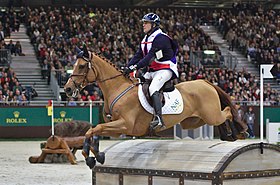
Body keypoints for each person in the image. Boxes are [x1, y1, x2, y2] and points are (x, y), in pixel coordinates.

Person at [123, 13, 178, 129]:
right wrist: (128, 67)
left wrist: (135, 67)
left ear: (154, 25)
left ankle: (159, 119)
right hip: (153, 70)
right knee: (137, 83)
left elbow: (149, 58)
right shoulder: (145, 39)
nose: (143, 25)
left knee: (153, 88)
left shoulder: (161, 38)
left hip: (165, 68)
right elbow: (138, 55)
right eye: (143, 22)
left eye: (146, 22)